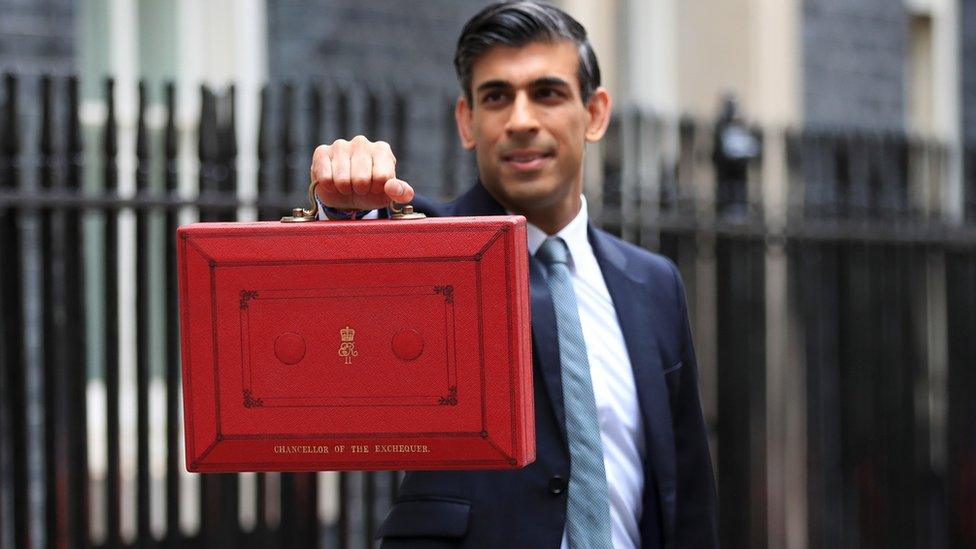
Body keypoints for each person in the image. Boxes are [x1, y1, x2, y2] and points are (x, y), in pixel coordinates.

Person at [309, 2, 718, 547]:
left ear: (595, 113)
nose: (521, 120)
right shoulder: (429, 247)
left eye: (547, 93)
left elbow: (685, 490)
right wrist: (345, 213)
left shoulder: (654, 283)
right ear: (466, 121)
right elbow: (344, 300)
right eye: (497, 96)